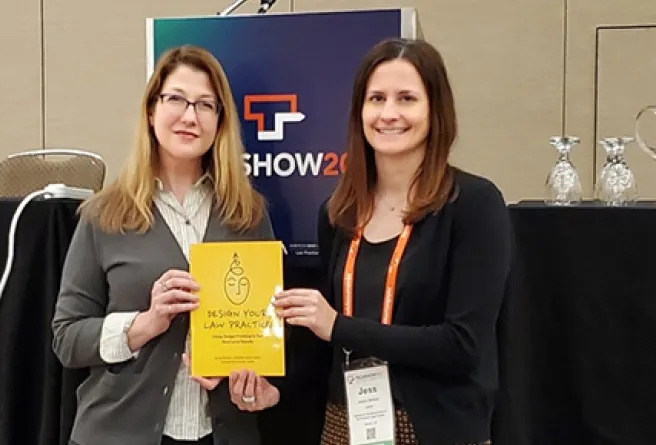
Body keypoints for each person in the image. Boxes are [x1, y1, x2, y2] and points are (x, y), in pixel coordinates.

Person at [273, 38, 512, 445]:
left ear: (435, 110)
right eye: (376, 98)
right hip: (344, 426)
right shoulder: (337, 212)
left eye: (406, 99)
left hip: (437, 429)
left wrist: (340, 327)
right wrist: (275, 390)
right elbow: (322, 347)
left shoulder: (473, 204)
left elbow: (463, 345)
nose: (389, 114)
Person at [52, 45, 281, 445]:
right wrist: (144, 324)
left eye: (206, 105)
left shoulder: (249, 214)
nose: (190, 116)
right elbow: (67, 339)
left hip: (223, 433)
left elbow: (269, 328)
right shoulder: (104, 214)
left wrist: (252, 373)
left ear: (220, 122)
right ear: (152, 110)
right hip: (118, 432)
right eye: (177, 99)